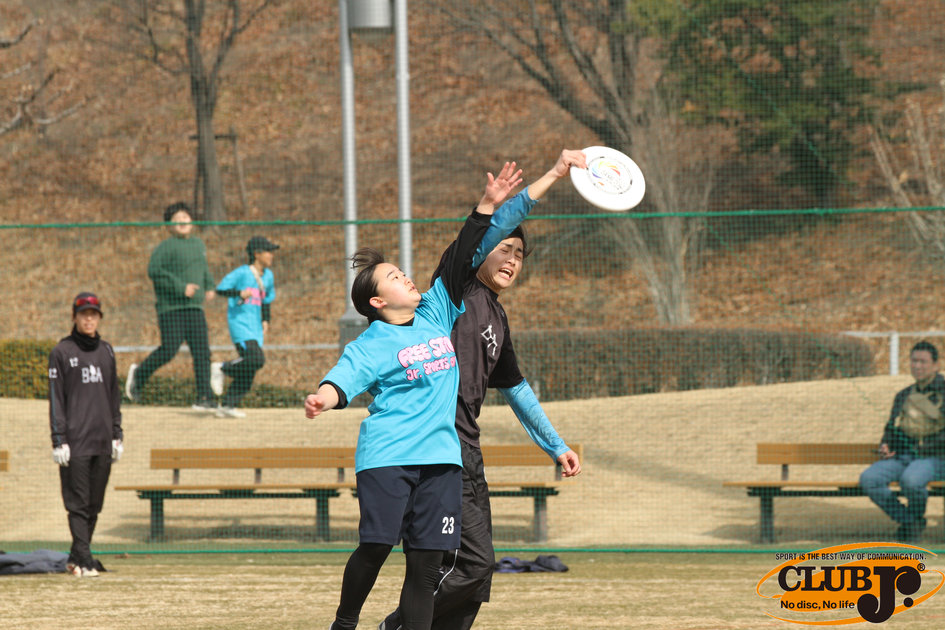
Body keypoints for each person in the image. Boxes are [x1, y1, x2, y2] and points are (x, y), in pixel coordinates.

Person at [304, 161, 524, 630]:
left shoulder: (436, 313)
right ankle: (345, 623)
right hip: (389, 458)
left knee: (426, 567)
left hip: (442, 461)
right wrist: (324, 398)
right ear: (377, 302)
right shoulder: (371, 342)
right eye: (393, 277)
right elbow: (342, 379)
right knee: (377, 546)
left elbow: (461, 256)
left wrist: (487, 207)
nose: (406, 278)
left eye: (402, 272)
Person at [379, 150, 585, 630]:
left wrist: (556, 445)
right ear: (481, 253)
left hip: (465, 451)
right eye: (504, 249)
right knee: (468, 566)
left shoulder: (497, 317)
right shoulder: (454, 290)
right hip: (433, 447)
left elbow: (517, 389)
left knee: (474, 577)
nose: (512, 259)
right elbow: (493, 226)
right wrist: (553, 174)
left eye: (520, 255)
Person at [48, 292, 124, 578]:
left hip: (102, 440)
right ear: (75, 317)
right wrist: (59, 439)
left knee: (94, 504)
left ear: (99, 318)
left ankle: (77, 557)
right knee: (78, 504)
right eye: (84, 314)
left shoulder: (107, 351)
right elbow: (56, 399)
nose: (89, 319)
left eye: (94, 314)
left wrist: (117, 433)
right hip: (75, 442)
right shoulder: (62, 352)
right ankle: (85, 559)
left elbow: (113, 395)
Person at [126, 201, 217, 411]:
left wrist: (210, 286)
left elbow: (203, 268)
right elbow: (154, 271)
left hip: (195, 308)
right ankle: (139, 374)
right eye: (177, 220)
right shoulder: (165, 247)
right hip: (171, 309)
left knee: (202, 352)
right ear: (169, 225)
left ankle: (204, 397)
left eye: (185, 217)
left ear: (192, 221)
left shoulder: (198, 245)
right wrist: (180, 287)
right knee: (169, 349)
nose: (182, 222)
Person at [860, 340, 945, 544]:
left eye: (923, 362)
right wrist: (885, 445)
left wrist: (925, 447)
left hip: (935, 458)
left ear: (936, 365)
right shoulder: (903, 395)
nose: (917, 366)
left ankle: (912, 523)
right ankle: (910, 521)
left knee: (911, 480)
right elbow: (891, 427)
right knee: (869, 479)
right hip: (903, 457)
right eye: (914, 361)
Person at [210, 236, 279, 418]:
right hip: (240, 325)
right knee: (257, 359)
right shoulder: (242, 273)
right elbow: (221, 289)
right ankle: (221, 368)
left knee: (249, 368)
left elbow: (266, 300)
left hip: (255, 327)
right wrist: (239, 292)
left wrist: (266, 320)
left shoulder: (268, 276)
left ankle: (227, 405)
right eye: (268, 251)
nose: (271, 255)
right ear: (257, 254)